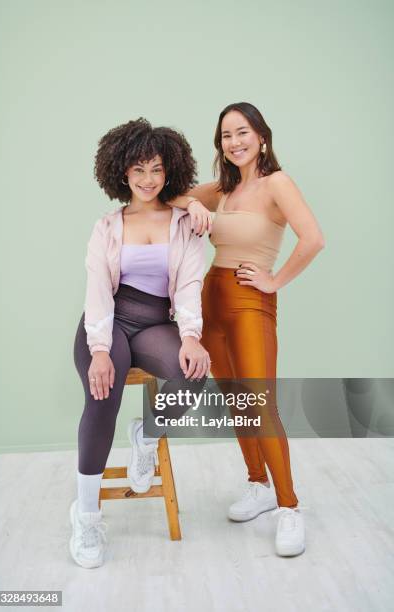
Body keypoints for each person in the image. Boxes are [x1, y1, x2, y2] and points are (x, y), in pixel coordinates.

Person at [170, 102, 325, 556]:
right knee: (236, 401)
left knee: (260, 403)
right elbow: (169, 195)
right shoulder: (223, 188)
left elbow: (313, 238)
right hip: (210, 301)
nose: (234, 142)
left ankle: (289, 508)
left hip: (250, 300)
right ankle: (257, 485)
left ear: (261, 136)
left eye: (242, 132)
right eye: (225, 136)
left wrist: (274, 280)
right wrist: (196, 205)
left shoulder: (277, 183)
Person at [70, 118, 210, 568]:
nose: (148, 180)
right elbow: (97, 291)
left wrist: (191, 337)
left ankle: (146, 434)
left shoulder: (184, 222)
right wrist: (97, 350)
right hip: (108, 319)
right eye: (138, 170)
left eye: (156, 169)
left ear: (169, 171)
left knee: (193, 374)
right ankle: (87, 516)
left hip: (155, 322)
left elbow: (188, 282)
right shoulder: (107, 226)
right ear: (122, 173)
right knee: (102, 396)